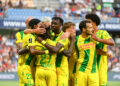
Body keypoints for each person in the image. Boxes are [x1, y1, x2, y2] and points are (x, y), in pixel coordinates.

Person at [73, 20, 112, 86]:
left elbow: (98, 50)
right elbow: (73, 53)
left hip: (93, 71)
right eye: (90, 27)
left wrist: (106, 53)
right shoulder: (76, 40)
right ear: (84, 29)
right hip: (81, 71)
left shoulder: (93, 39)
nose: (93, 29)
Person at [85, 13, 114, 86]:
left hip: (100, 67)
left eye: (88, 22)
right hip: (88, 68)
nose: (86, 24)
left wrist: (97, 39)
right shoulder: (85, 35)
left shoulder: (103, 33)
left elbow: (111, 42)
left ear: (94, 23)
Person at [15, 17, 33, 86]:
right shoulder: (20, 34)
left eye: (32, 22)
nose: (31, 23)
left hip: (33, 65)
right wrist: (31, 46)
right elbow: (20, 49)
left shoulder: (36, 34)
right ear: (26, 23)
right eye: (29, 22)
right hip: (23, 64)